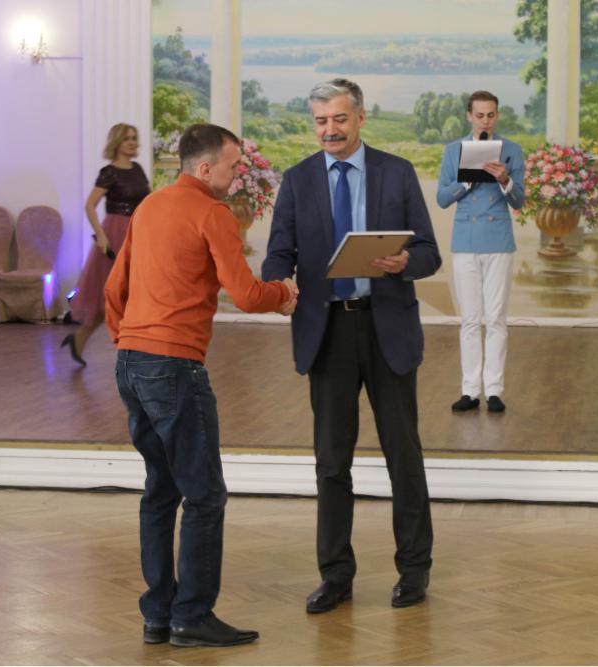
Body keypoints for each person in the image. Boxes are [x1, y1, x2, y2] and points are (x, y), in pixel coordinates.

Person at [105, 123, 297, 647]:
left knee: (160, 490)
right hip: (174, 366)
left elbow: (114, 288)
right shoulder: (213, 214)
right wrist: (284, 293)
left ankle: (158, 614)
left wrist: (130, 341)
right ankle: (191, 615)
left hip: (131, 363)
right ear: (206, 167)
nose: (237, 176)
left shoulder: (149, 207)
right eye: (233, 167)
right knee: (205, 495)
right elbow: (248, 295)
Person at [262, 79, 440, 612]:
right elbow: (278, 254)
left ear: (360, 118)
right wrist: (280, 283)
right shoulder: (297, 180)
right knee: (331, 461)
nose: (330, 130)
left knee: (403, 455)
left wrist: (405, 261)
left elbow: (429, 252)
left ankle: (414, 570)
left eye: (339, 119)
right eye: (321, 121)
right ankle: (336, 575)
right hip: (327, 333)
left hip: (387, 329)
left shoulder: (396, 172)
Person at [436, 91, 525, 413]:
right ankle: (470, 390)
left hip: (498, 239)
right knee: (470, 319)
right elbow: (442, 199)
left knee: (496, 318)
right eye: (479, 115)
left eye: (490, 115)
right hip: (466, 240)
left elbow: (519, 200)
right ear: (469, 116)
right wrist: (467, 181)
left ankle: (495, 390)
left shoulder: (511, 150)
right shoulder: (453, 151)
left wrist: (504, 180)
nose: (485, 121)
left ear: (496, 116)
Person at [62, 123, 150, 366]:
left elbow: (148, 200)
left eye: (134, 138)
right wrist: (101, 235)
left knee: (132, 293)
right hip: (114, 235)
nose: (131, 142)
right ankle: (130, 351)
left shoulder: (138, 169)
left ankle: (80, 341)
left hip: (136, 232)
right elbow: (90, 205)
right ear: (117, 142)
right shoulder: (109, 172)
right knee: (111, 296)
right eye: (126, 138)